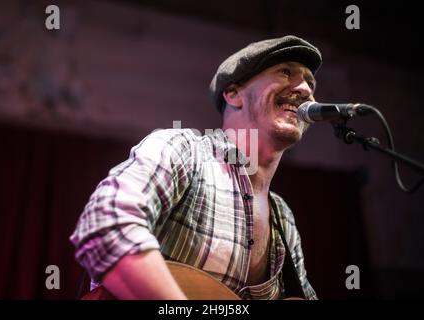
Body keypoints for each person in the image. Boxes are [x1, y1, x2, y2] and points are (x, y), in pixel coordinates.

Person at [70, 35, 322, 300]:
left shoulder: (283, 219)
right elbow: (106, 225)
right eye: (285, 72)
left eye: (310, 82)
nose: (305, 89)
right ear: (234, 94)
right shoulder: (184, 151)